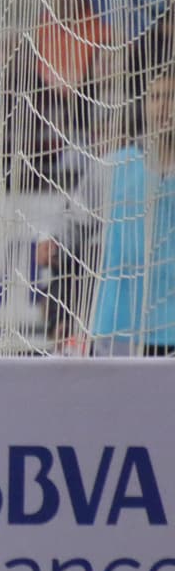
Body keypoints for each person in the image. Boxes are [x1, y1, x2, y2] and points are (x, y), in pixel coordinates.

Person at [91, 66, 175, 355]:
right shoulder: (115, 166)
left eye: (172, 97)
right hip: (120, 320)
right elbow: (73, 219)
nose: (164, 106)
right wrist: (50, 241)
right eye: (156, 97)